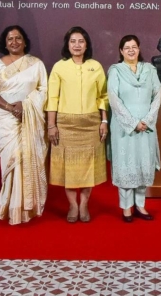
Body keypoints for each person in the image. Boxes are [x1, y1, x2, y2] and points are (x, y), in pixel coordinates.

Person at [0, 25, 48, 225]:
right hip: (6, 119)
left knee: (28, 157)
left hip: (30, 118)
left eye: (18, 38)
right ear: (5, 43)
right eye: (10, 39)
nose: (14, 42)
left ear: (24, 41)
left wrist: (25, 105)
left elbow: (44, 90)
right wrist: (9, 107)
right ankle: (9, 206)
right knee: (11, 160)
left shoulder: (36, 64)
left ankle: (27, 207)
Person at [47, 26, 109, 223]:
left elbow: (103, 96)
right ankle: (73, 205)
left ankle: (84, 204)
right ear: (67, 45)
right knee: (69, 168)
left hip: (91, 124)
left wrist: (104, 120)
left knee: (88, 167)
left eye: (81, 41)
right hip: (65, 124)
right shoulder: (59, 67)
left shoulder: (95, 66)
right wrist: (51, 125)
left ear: (87, 45)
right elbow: (52, 97)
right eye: (73, 41)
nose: (77, 45)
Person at [107, 35, 161, 222]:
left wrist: (147, 120)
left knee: (143, 165)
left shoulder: (150, 70)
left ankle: (140, 205)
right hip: (124, 129)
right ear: (121, 51)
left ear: (139, 49)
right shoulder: (116, 71)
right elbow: (114, 99)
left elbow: (157, 95)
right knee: (126, 166)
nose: (131, 50)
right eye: (127, 47)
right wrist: (132, 123)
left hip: (146, 127)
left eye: (134, 47)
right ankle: (126, 208)